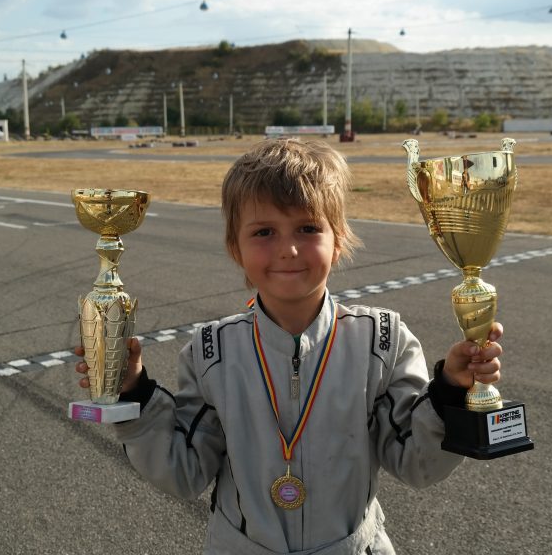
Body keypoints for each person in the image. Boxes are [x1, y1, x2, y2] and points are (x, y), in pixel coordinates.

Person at [75, 137, 505, 554]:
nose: (289, 249)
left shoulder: (382, 339)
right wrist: (133, 392)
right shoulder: (211, 351)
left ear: (338, 241)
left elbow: (417, 463)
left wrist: (450, 388)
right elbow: (184, 472)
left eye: (308, 227)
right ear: (235, 248)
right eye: (264, 232)